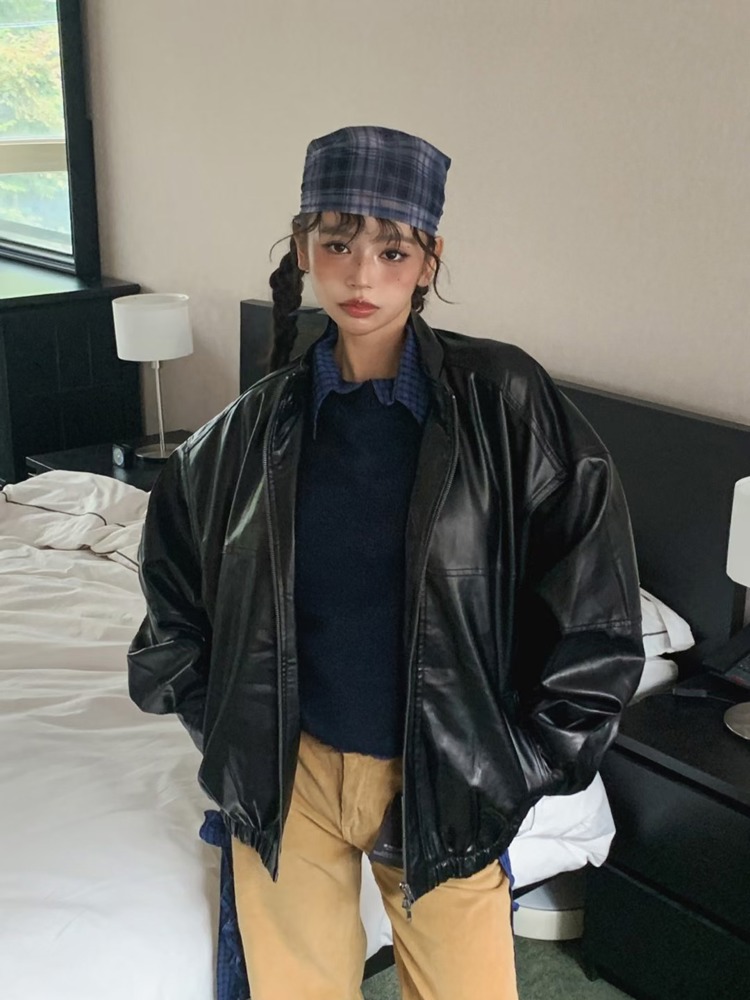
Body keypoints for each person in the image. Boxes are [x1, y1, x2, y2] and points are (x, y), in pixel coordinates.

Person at [128, 126, 644, 1000]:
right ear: (303, 249)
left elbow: (597, 605)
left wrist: (521, 763)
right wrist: (230, 730)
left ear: (429, 260)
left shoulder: (505, 402)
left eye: (392, 251)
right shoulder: (247, 431)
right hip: (291, 777)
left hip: (444, 773)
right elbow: (171, 599)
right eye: (337, 245)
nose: (361, 276)